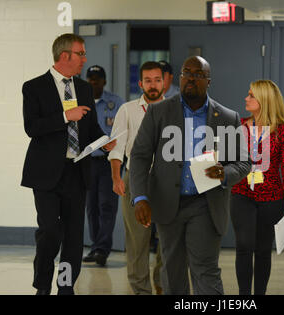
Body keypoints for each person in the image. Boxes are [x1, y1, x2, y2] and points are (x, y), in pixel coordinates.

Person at [130, 56, 251, 295]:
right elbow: (140, 157)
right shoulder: (159, 112)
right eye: (187, 73)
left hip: (206, 203)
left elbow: (244, 162)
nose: (191, 79)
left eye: (198, 75)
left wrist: (224, 173)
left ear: (208, 81)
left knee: (205, 270)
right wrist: (140, 197)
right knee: (172, 272)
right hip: (167, 203)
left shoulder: (227, 118)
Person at [21, 33, 116, 295]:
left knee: (74, 237)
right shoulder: (34, 87)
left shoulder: (84, 88)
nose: (85, 59)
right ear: (65, 56)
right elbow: (32, 127)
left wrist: (104, 141)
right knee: (50, 232)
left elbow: (92, 128)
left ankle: (65, 287)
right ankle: (42, 285)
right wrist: (65, 115)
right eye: (81, 53)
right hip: (46, 174)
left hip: (77, 172)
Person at [230, 80, 284, 295]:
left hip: (271, 197)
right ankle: (243, 298)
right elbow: (228, 158)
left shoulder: (282, 130)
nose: (246, 98)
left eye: (251, 95)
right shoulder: (239, 126)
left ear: (264, 100)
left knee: (262, 250)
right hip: (241, 194)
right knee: (243, 245)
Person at [108, 61, 165, 295]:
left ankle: (162, 284)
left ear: (164, 82)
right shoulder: (127, 110)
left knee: (168, 240)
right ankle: (141, 290)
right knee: (137, 241)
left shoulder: (176, 109)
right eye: (148, 81)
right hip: (136, 179)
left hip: (167, 181)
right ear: (141, 83)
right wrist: (116, 178)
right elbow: (116, 147)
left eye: (157, 80)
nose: (153, 85)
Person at [82, 65, 124, 267]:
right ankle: (95, 246)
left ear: (104, 81)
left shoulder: (115, 103)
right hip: (88, 162)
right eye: (90, 79)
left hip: (108, 163)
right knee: (91, 207)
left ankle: (102, 249)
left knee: (107, 206)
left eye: (97, 79)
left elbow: (122, 132)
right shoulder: (81, 102)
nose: (93, 82)